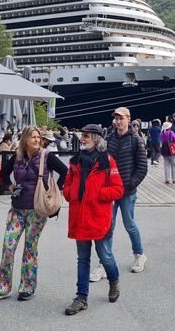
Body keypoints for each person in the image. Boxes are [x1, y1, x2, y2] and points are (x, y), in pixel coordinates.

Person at [0, 126, 68, 302]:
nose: (37, 140)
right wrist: (10, 186)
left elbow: (66, 172)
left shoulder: (47, 156)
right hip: (17, 209)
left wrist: (54, 190)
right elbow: (3, 174)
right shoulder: (17, 156)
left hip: (37, 211)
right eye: (33, 137)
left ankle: (27, 287)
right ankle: (2, 287)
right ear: (25, 140)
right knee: (8, 246)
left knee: (30, 249)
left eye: (38, 137)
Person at [63, 124, 124, 316]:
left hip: (99, 217)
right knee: (83, 259)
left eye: (86, 136)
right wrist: (69, 192)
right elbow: (67, 183)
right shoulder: (75, 161)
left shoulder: (107, 161)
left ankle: (113, 280)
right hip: (80, 216)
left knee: (105, 255)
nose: (82, 139)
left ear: (97, 139)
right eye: (82, 135)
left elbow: (118, 189)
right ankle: (81, 298)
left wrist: (98, 193)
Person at [89, 106, 148, 282]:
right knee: (108, 225)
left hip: (127, 191)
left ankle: (139, 254)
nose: (118, 121)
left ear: (128, 119)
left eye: (121, 118)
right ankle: (104, 264)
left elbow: (142, 168)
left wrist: (129, 184)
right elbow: (100, 160)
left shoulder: (136, 140)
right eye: (116, 118)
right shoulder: (109, 138)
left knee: (129, 224)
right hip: (109, 191)